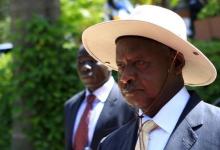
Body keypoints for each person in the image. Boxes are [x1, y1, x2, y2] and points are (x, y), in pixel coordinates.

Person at [82, 5, 220, 150]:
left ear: (177, 63)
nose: (125, 77)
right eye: (121, 66)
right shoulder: (110, 144)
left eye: (140, 63)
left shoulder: (216, 131)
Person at [64, 45, 136, 150]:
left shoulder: (129, 103)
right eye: (81, 62)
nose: (85, 67)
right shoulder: (71, 105)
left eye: (92, 61)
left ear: (109, 64)